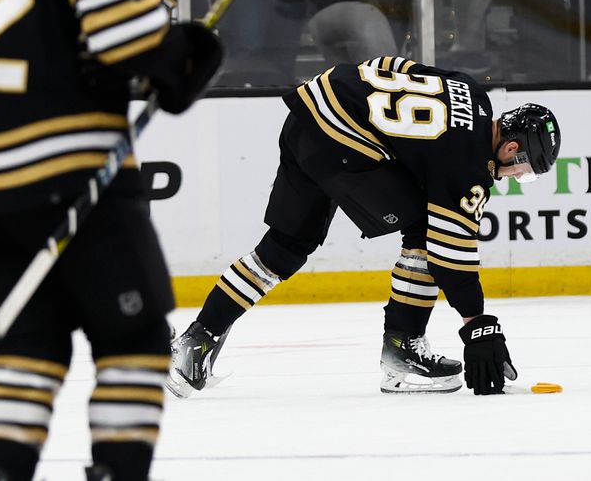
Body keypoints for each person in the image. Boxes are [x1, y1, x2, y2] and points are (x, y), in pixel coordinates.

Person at [0, 0, 220, 480]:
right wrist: (177, 54)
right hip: (76, 173)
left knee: (23, 350)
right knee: (133, 341)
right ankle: (119, 470)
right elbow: (118, 30)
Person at [167, 55, 561, 398]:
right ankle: (402, 349)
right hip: (341, 143)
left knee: (285, 247)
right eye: (524, 172)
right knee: (426, 231)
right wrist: (477, 324)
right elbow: (451, 255)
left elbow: (389, 66)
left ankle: (197, 339)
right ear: (511, 147)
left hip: (310, 110)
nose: (514, 176)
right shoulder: (469, 165)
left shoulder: (471, 89)